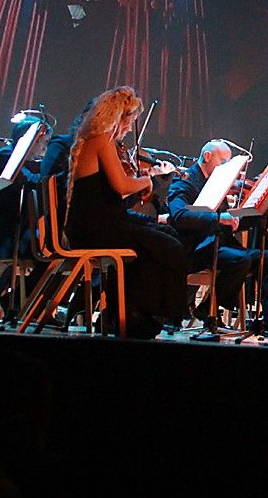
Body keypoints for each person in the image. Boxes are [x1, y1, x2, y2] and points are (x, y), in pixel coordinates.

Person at [65, 86, 189, 338]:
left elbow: (116, 189)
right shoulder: (101, 141)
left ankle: (135, 310)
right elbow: (121, 185)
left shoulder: (96, 140)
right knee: (166, 246)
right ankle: (141, 313)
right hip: (96, 228)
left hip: (100, 221)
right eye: (130, 120)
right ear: (116, 116)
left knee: (164, 233)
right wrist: (147, 182)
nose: (131, 127)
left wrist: (141, 180)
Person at [168, 140, 268, 330]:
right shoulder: (185, 181)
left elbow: (233, 222)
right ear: (207, 157)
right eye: (223, 162)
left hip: (220, 244)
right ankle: (208, 308)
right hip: (197, 248)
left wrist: (262, 207)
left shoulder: (218, 183)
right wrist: (219, 217)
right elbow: (180, 216)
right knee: (241, 260)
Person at [0, 116, 49, 320]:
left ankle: (18, 303)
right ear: (30, 140)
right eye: (43, 142)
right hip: (2, 233)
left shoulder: (11, 157)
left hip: (10, 229)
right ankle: (10, 305)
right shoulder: (6, 157)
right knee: (48, 250)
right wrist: (51, 177)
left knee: (46, 247)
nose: (44, 148)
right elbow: (21, 183)